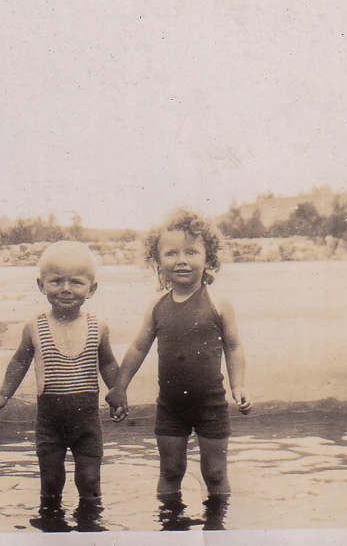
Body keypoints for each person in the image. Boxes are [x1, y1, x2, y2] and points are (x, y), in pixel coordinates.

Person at [105, 208, 251, 530]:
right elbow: (139, 347)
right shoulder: (157, 307)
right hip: (170, 407)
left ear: (207, 257)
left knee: (215, 473)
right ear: (158, 262)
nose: (182, 260)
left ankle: (217, 531)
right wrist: (119, 386)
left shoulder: (219, 303)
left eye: (192, 251)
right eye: (171, 253)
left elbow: (234, 347)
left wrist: (239, 386)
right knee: (170, 471)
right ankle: (170, 530)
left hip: (211, 406)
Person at [0, 241, 122, 531]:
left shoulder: (99, 326)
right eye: (56, 280)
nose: (66, 288)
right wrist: (3, 394)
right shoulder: (34, 326)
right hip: (50, 423)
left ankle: (91, 527)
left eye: (76, 282)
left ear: (92, 289)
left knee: (89, 480)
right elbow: (19, 362)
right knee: (50, 480)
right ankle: (52, 526)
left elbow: (108, 364)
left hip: (87, 424)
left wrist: (117, 392)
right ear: (41, 285)